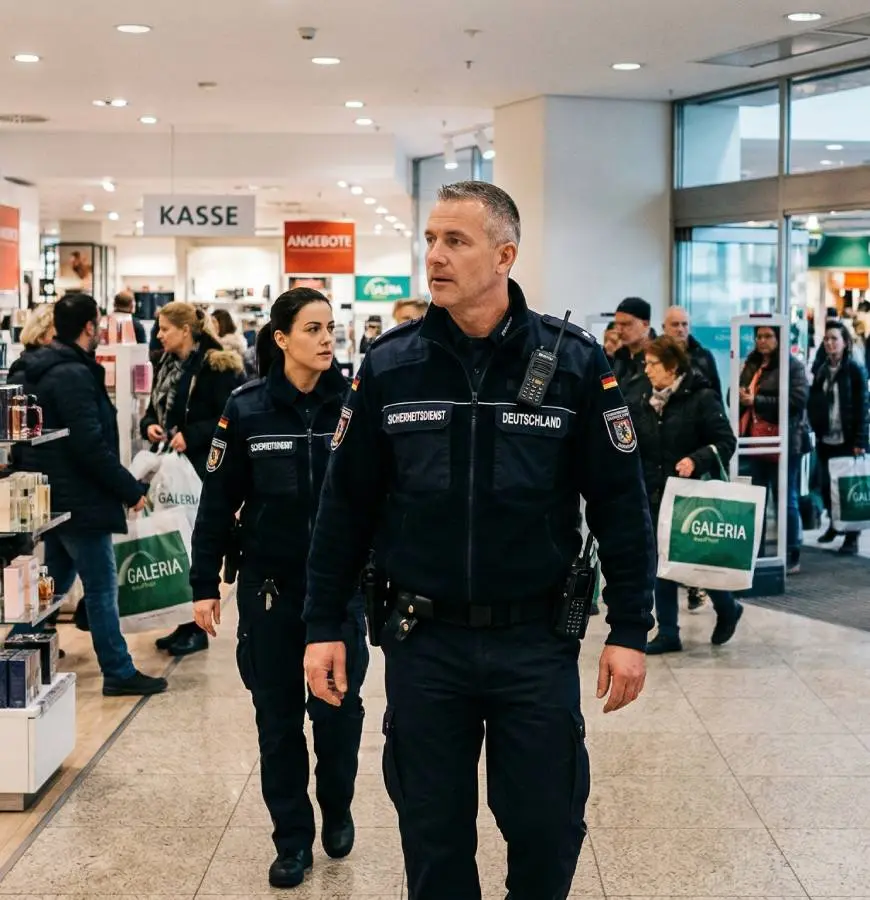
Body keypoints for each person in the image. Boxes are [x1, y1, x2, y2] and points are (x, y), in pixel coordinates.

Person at [302, 181, 655, 900]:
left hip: (535, 640)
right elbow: (344, 507)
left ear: (504, 255)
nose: (435, 255)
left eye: (455, 241)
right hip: (423, 639)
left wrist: (630, 627)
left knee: (547, 826)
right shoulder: (391, 365)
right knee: (433, 838)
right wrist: (322, 624)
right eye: (431, 239)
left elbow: (621, 503)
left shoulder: (574, 363)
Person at [190, 289, 368, 890]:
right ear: (282, 338)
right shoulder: (247, 408)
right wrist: (204, 582)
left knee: (339, 715)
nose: (327, 339)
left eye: (331, 328)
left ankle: (337, 805)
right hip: (270, 589)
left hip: (339, 593)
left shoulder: (354, 405)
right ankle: (291, 840)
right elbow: (217, 500)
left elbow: (382, 496)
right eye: (313, 329)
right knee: (278, 721)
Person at [8, 294, 167, 696]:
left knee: (57, 581)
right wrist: (129, 489)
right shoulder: (73, 374)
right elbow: (90, 446)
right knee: (101, 588)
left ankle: (14, 656)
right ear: (89, 327)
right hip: (80, 499)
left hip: (50, 496)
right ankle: (118, 670)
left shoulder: (34, 368)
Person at [141, 301, 244, 657]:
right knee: (175, 544)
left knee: (194, 544)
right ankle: (182, 620)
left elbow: (229, 417)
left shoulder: (217, 366)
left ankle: (196, 627)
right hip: (171, 468)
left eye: (165, 328)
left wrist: (193, 434)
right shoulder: (166, 364)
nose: (159, 335)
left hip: (202, 468)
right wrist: (149, 426)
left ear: (185, 330)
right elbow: (154, 410)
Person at [630, 336, 742, 654]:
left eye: (653, 364)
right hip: (654, 493)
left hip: (688, 495)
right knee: (661, 564)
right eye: (646, 364)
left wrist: (696, 459)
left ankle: (728, 608)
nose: (647, 370)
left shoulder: (701, 398)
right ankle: (668, 632)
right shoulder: (642, 397)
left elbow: (726, 441)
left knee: (697, 560)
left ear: (672, 366)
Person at [739, 325, 809, 574]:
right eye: (759, 336)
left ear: (779, 338)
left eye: (768, 336)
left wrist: (755, 400)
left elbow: (797, 400)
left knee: (785, 498)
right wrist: (740, 396)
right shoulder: (751, 364)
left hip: (785, 441)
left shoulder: (792, 366)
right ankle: (756, 552)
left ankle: (790, 552)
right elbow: (734, 397)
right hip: (754, 441)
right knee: (757, 498)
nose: (762, 341)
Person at [808, 321, 869, 555]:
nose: (830, 343)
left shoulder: (854, 370)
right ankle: (834, 525)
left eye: (834, 338)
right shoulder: (822, 370)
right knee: (827, 486)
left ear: (845, 343)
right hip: (826, 438)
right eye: (827, 339)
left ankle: (852, 537)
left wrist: (860, 441)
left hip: (848, 438)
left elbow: (862, 407)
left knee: (847, 487)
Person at [662, 306, 722, 397]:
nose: (680, 329)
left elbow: (717, 394)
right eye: (675, 324)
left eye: (684, 324)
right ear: (664, 328)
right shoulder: (655, 356)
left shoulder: (704, 356)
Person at [611, 296, 653, 403]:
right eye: (617, 324)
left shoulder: (658, 358)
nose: (619, 330)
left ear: (645, 324)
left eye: (626, 324)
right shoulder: (618, 356)